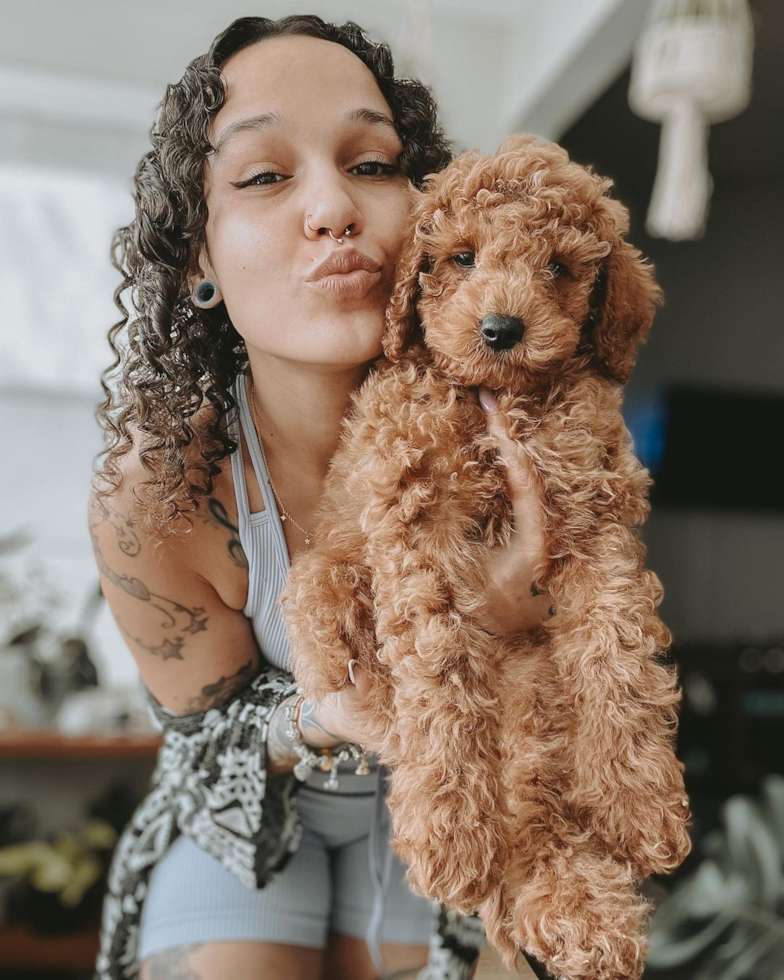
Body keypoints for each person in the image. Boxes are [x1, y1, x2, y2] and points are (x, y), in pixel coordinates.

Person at [87, 14, 552, 980]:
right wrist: (328, 715)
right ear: (199, 259)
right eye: (264, 176)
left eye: (373, 164)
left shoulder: (521, 436)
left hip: (468, 801)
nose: (334, 207)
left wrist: (509, 633)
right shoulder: (160, 492)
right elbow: (206, 745)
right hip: (250, 822)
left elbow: (583, 694)